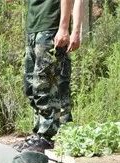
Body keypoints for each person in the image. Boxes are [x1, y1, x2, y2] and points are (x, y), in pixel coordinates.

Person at [16, 0, 83, 152]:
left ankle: (47, 136)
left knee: (45, 86)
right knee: (31, 87)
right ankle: (41, 133)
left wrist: (65, 28)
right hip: (34, 28)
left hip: (50, 28)